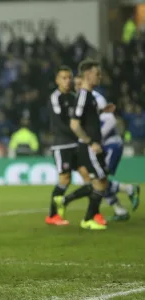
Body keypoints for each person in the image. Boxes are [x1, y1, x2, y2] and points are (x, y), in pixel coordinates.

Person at [73, 75, 140, 221]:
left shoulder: (96, 98)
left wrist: (96, 140)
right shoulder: (80, 99)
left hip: (110, 144)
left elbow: (110, 120)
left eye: (80, 84)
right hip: (100, 145)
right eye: (75, 85)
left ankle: (129, 189)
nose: (77, 87)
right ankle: (120, 210)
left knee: (98, 180)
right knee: (97, 179)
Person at [45, 66, 91, 226]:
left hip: (76, 145)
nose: (67, 81)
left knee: (88, 177)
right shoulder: (55, 97)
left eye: (69, 77)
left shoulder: (74, 97)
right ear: (57, 80)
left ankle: (72, 204)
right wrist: (80, 134)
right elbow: (59, 124)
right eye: (63, 78)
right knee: (65, 179)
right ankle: (52, 215)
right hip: (62, 145)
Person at [69, 59, 109, 230]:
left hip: (95, 145)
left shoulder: (91, 95)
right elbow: (74, 124)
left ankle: (89, 217)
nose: (99, 77)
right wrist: (90, 142)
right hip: (90, 147)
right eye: (97, 73)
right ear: (88, 74)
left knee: (101, 181)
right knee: (100, 181)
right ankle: (88, 218)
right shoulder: (84, 95)